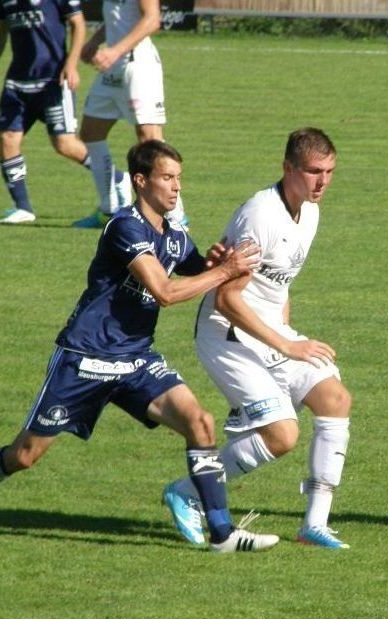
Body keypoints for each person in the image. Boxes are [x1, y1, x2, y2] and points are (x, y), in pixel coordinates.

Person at [0, 140, 277, 554]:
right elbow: (164, 291)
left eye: (179, 178)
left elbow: (200, 273)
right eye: (166, 178)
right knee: (25, 455)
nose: (176, 187)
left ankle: (222, 535)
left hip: (135, 359)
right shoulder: (124, 228)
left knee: (200, 422)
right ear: (141, 181)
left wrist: (220, 262)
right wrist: (224, 271)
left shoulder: (174, 236)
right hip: (84, 360)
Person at [161, 128, 353, 550]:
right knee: (282, 437)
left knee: (335, 399)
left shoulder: (310, 211)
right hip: (226, 335)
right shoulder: (260, 216)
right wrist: (286, 347)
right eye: (313, 171)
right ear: (288, 169)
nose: (322, 181)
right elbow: (227, 299)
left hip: (270, 332)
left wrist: (285, 338)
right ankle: (186, 493)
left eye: (330, 172)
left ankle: (313, 526)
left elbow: (277, 285)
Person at [72, 0, 186, 229]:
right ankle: (108, 209)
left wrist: (115, 51)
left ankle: (175, 216)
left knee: (149, 140)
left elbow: (152, 20)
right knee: (91, 132)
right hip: (114, 67)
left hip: (138, 65)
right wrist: (95, 41)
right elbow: (118, 19)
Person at [0, 0, 91, 224]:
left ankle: (115, 178)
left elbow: (78, 24)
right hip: (17, 84)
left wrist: (71, 65)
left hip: (52, 81)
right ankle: (23, 208)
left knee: (64, 145)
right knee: (8, 138)